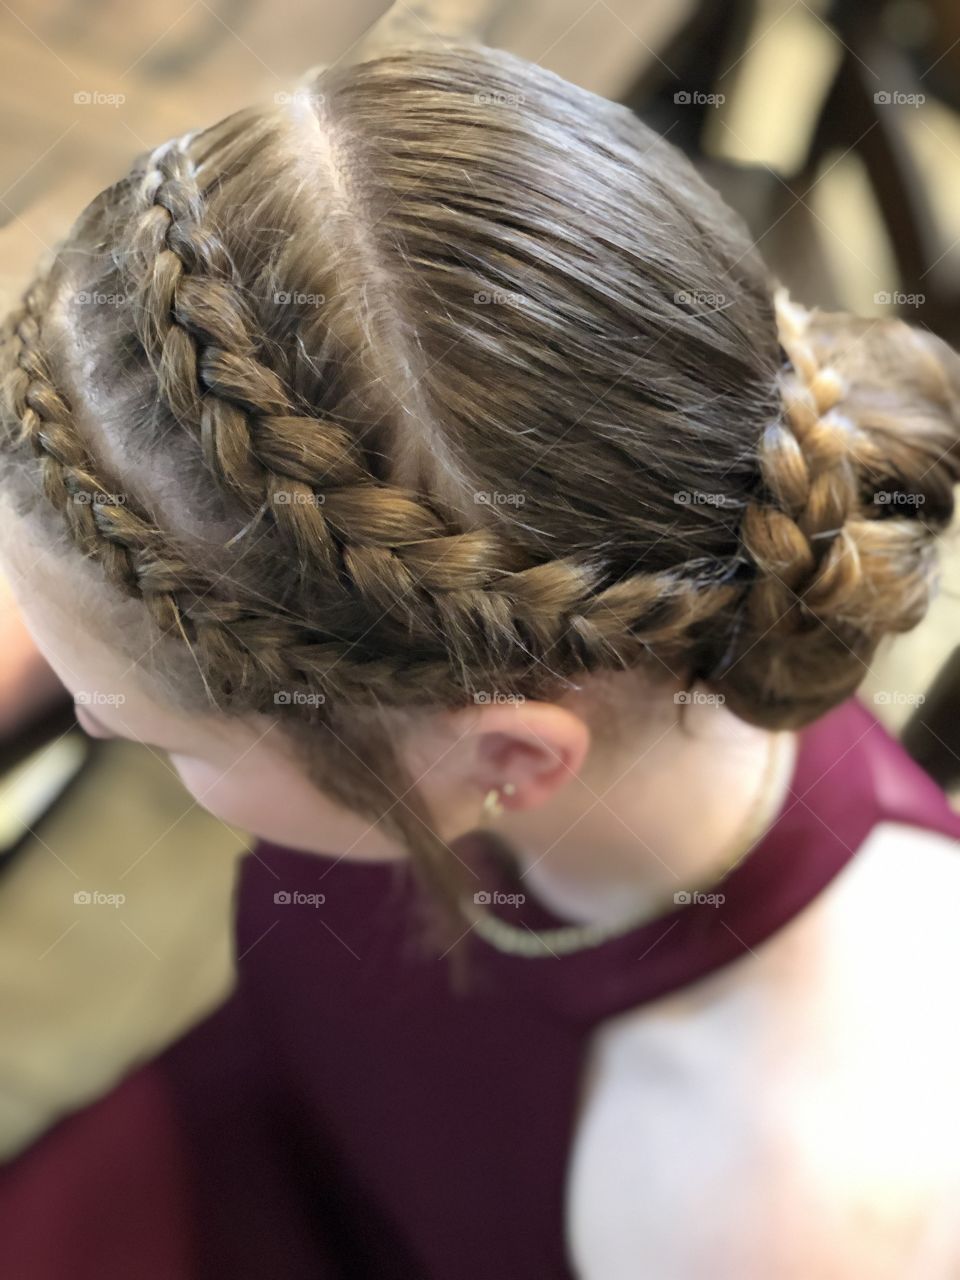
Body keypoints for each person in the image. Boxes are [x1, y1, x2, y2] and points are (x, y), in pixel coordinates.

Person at [1, 40, 960, 1280]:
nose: (100, 717)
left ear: (504, 753)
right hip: (241, 1139)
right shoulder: (572, 545)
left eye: (156, 729)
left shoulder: (781, 1209)